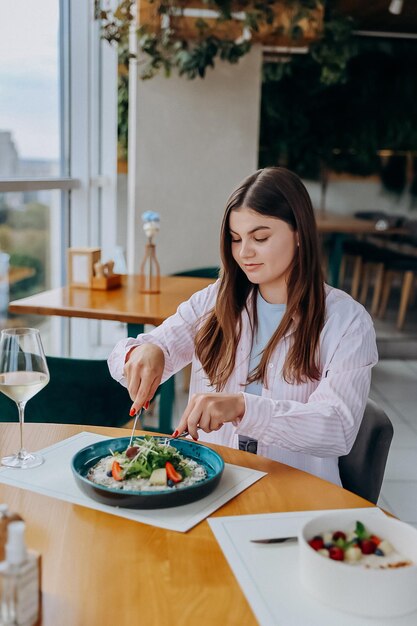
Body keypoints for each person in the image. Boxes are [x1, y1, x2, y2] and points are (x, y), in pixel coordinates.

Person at [108, 167, 378, 486]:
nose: (244, 252)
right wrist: (144, 352)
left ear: (299, 234)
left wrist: (241, 408)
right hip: (212, 484)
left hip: (296, 494)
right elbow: (127, 357)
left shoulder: (347, 321)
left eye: (260, 237)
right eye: (236, 239)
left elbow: (337, 428)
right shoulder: (214, 302)